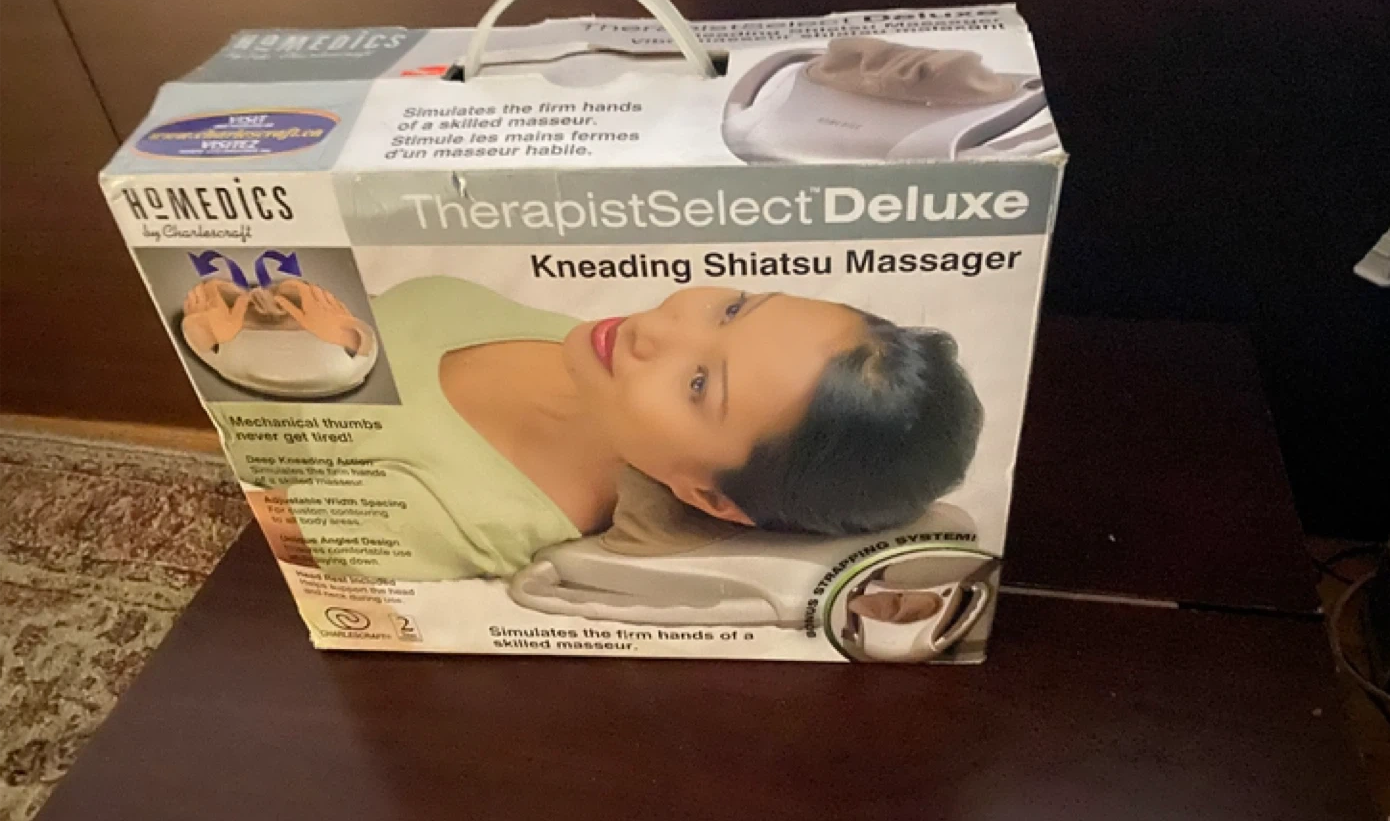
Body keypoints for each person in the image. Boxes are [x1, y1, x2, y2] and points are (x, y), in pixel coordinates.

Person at [204, 275, 984, 581]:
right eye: (733, 307)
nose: (659, 328)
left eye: (700, 384)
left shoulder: (463, 518)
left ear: (708, 495)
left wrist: (247, 349)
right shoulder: (575, 347)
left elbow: (273, 515)